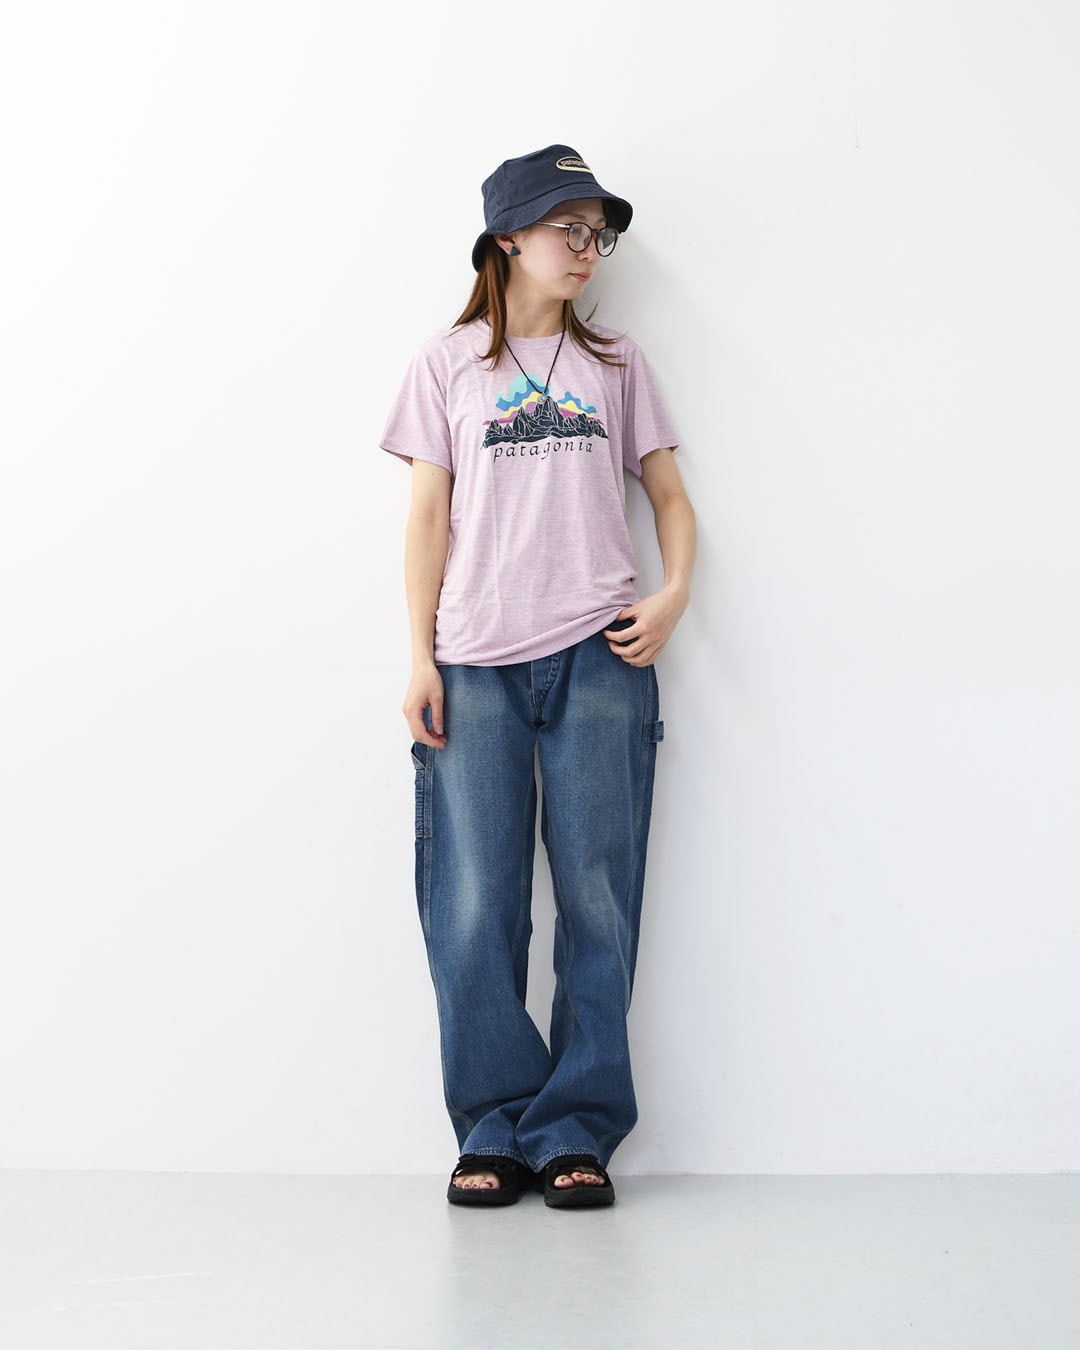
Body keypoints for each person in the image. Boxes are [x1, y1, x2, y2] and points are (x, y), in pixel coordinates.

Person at [380, 144, 696, 1209]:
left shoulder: (617, 364)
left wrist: (673, 594)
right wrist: (419, 655)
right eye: (569, 228)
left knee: (598, 898)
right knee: (474, 903)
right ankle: (493, 1123)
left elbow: (669, 496)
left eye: (599, 233)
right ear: (508, 237)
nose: (587, 248)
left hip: (601, 656)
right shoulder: (445, 365)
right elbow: (428, 518)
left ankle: (575, 1127)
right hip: (473, 663)